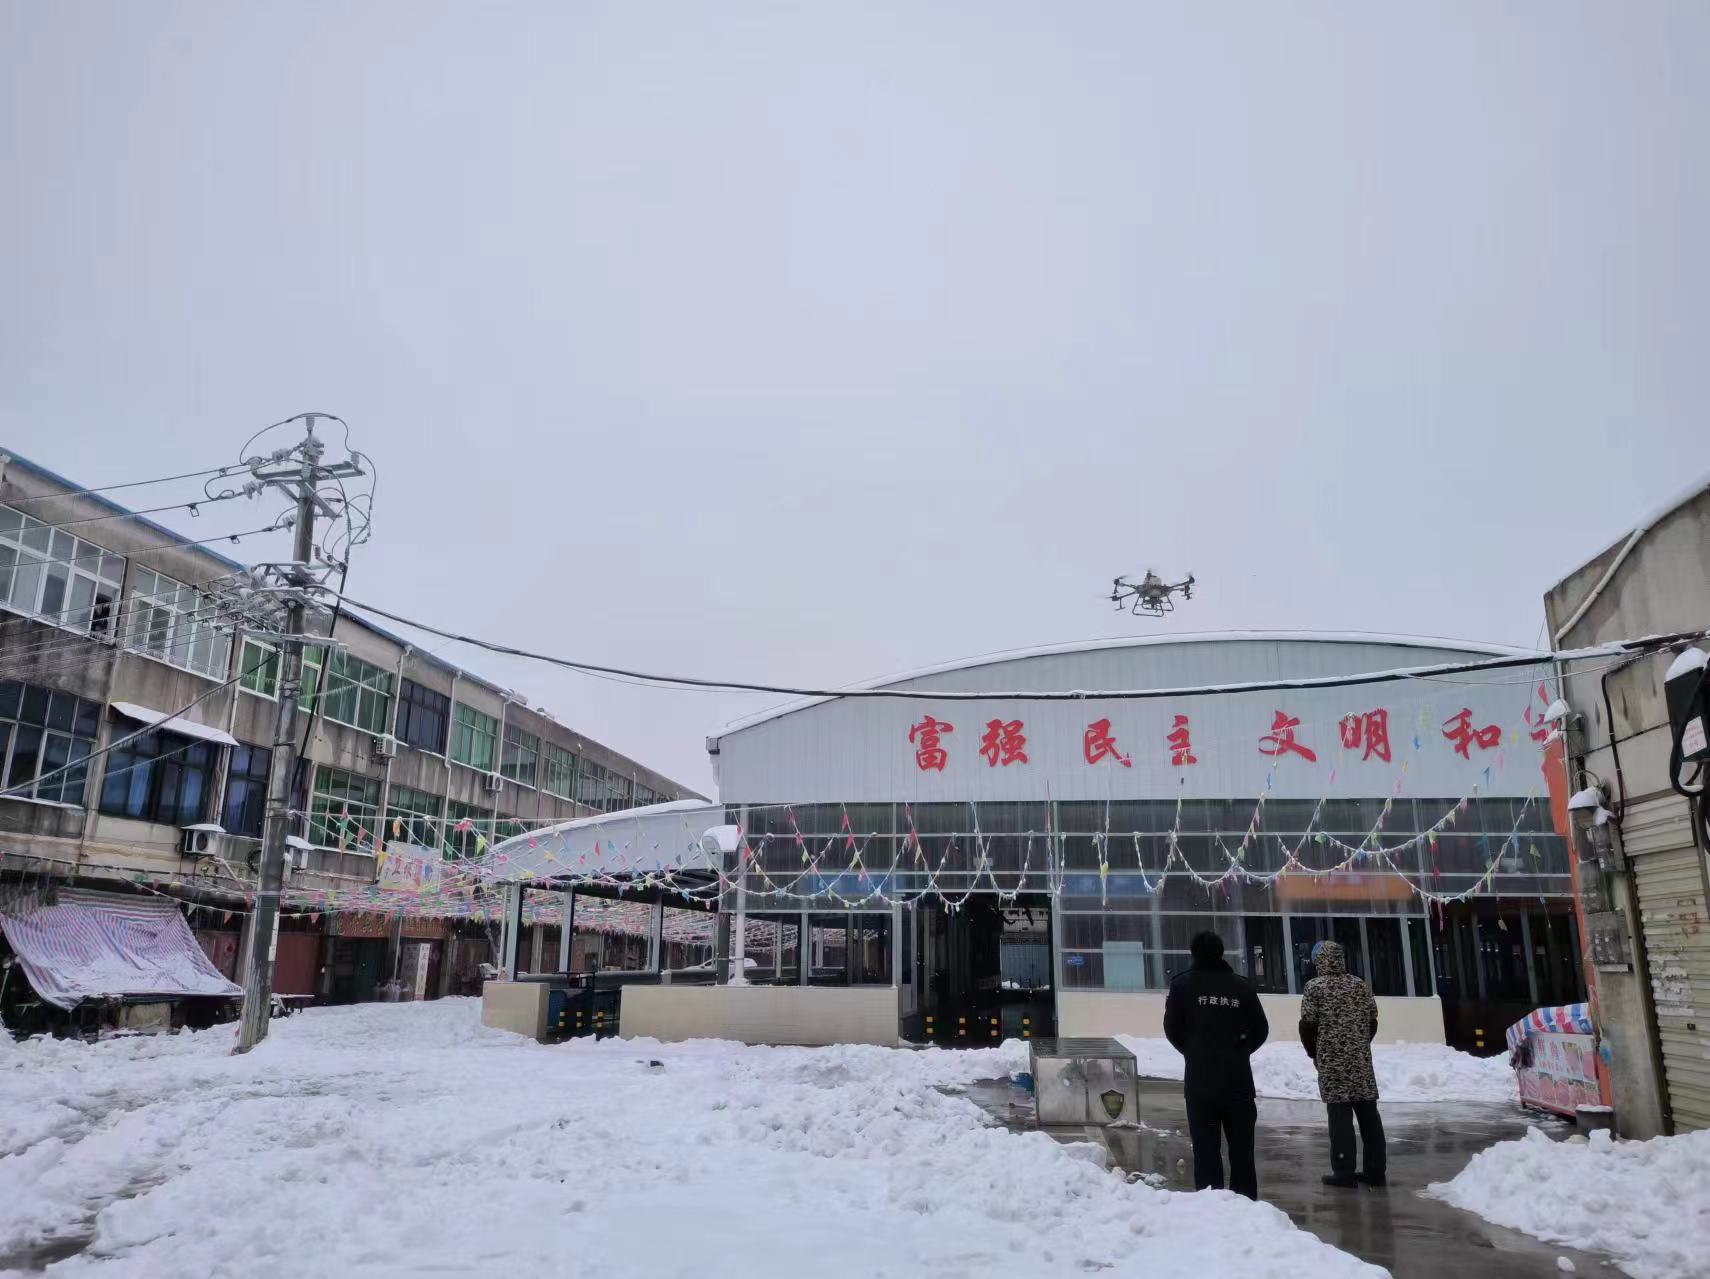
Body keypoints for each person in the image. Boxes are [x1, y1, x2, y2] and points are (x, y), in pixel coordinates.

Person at [1163, 930, 1270, 1199]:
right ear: (1222, 953)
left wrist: (1194, 1052)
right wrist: (1239, 1051)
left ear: (1193, 953)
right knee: (1242, 1153)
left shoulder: (1181, 986)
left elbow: (1172, 1029)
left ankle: (1210, 1207)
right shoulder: (1242, 987)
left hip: (1200, 1084)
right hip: (1238, 1082)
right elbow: (1260, 1029)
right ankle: (1245, 1205)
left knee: (1206, 1152)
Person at [1299, 939, 1387, 1188]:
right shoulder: (1359, 984)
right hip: (1360, 1061)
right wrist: (1360, 1044)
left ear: (1319, 961)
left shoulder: (1315, 987)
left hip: (1332, 1062)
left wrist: (1315, 1054)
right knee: (1369, 1116)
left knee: (1340, 1118)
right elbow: (1373, 1019)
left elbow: (1308, 1025)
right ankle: (1375, 1171)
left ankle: (1344, 1171)